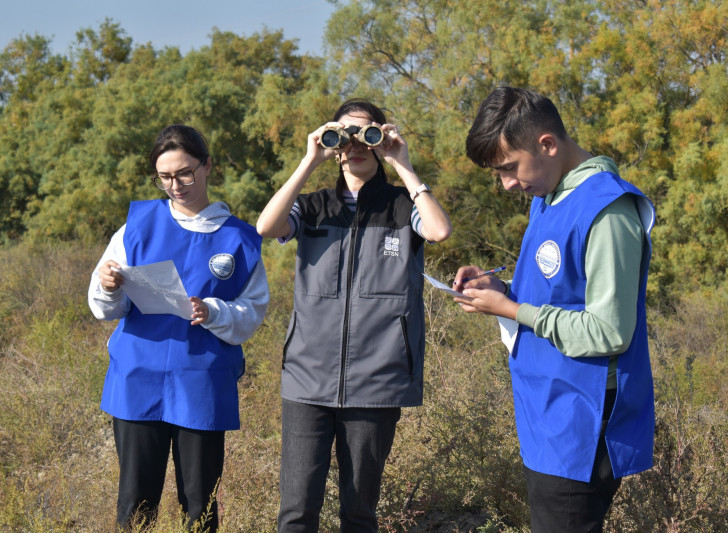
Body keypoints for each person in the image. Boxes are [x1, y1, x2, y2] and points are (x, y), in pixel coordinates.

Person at [453, 87, 655, 532]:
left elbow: (609, 331)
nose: (507, 183)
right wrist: (500, 290)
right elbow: (554, 293)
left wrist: (513, 309)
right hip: (547, 408)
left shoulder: (608, 211)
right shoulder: (548, 196)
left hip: (581, 417)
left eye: (509, 168)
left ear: (547, 144)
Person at [256, 98, 452, 532]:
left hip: (376, 379)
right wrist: (310, 161)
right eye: (345, 134)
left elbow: (438, 230)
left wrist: (402, 162)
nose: (354, 144)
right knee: (296, 511)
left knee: (360, 513)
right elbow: (266, 227)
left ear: (382, 137)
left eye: (367, 133)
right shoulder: (313, 207)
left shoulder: (401, 207)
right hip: (308, 376)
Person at [88, 124, 269, 531]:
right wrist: (107, 284)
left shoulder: (241, 238)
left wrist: (214, 311)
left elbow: (252, 310)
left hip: (202, 381)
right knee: (136, 503)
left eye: (185, 173)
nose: (176, 185)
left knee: (199, 504)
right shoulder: (136, 226)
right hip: (137, 379)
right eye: (165, 177)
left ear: (207, 166)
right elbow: (103, 308)